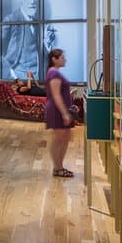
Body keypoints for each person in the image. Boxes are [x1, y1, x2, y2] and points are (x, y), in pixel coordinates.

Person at [1, 0, 56, 78]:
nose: (32, 1)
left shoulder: (37, 24)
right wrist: (13, 76)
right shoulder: (10, 21)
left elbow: (40, 55)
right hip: (19, 80)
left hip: (37, 79)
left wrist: (48, 45)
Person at [45, 48, 75, 178]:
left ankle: (59, 166)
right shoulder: (53, 73)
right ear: (54, 59)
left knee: (66, 137)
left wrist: (69, 95)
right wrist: (64, 113)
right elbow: (56, 96)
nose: (65, 59)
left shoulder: (56, 73)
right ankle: (57, 168)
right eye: (62, 57)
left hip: (61, 109)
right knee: (58, 139)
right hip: (57, 110)